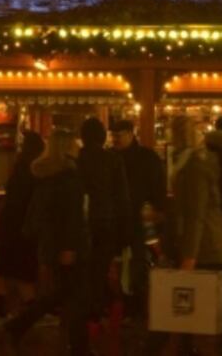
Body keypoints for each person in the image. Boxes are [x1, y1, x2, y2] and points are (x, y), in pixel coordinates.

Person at [4, 128, 90, 355]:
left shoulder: (47, 174)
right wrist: (69, 247)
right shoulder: (67, 176)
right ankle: (78, 346)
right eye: (74, 143)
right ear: (67, 148)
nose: (78, 147)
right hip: (66, 244)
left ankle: (19, 325)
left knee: (64, 293)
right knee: (72, 295)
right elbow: (69, 216)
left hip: (52, 243)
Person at [163, 129, 222, 356]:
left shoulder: (193, 168)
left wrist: (189, 256)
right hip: (211, 246)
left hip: (205, 249)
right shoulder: (199, 166)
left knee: (203, 311)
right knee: (215, 309)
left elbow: (196, 214)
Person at [78, 117, 133, 323]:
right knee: (100, 268)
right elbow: (122, 197)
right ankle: (97, 309)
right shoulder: (112, 160)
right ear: (103, 138)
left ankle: (86, 310)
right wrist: (124, 230)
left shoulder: (76, 160)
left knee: (83, 269)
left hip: (82, 223)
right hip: (107, 222)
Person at [110, 119, 166, 318]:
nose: (114, 139)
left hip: (136, 220)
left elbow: (158, 187)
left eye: (118, 135)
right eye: (113, 135)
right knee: (125, 265)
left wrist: (157, 208)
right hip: (125, 220)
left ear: (130, 134)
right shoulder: (146, 157)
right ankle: (129, 309)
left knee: (137, 265)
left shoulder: (141, 158)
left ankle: (133, 309)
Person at [0, 130, 42, 317]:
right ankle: (30, 311)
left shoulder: (19, 167)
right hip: (24, 226)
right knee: (24, 272)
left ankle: (1, 310)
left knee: (3, 269)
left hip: (9, 223)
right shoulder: (36, 170)